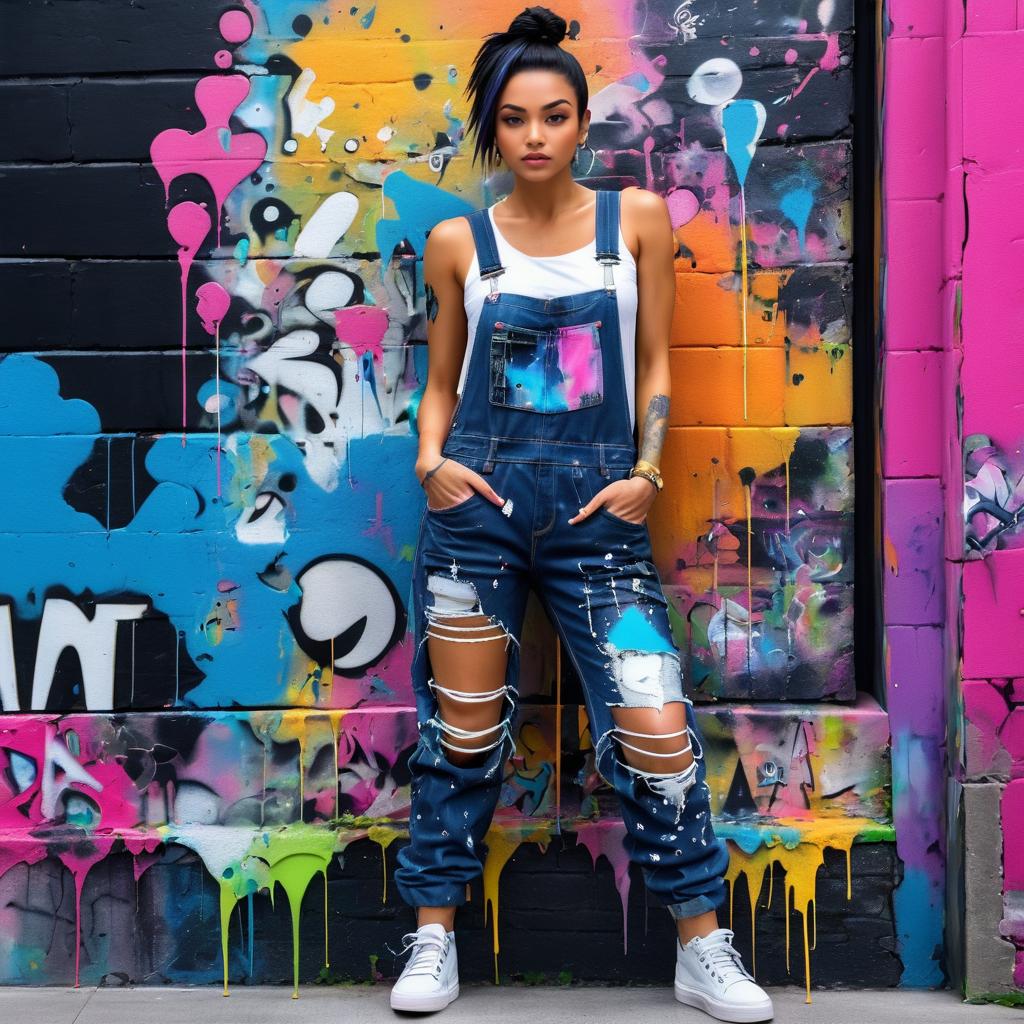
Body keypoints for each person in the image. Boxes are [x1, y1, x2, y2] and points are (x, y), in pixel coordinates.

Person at [389, 8, 773, 1022]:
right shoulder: (455, 242)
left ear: (579, 123)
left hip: (601, 517)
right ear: (493, 128)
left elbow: (653, 363)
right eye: (514, 119)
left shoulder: (635, 220)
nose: (534, 137)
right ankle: (431, 936)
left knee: (653, 722)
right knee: (462, 731)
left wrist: (647, 469)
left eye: (554, 116)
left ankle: (701, 944)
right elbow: (438, 383)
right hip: (477, 515)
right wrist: (430, 459)